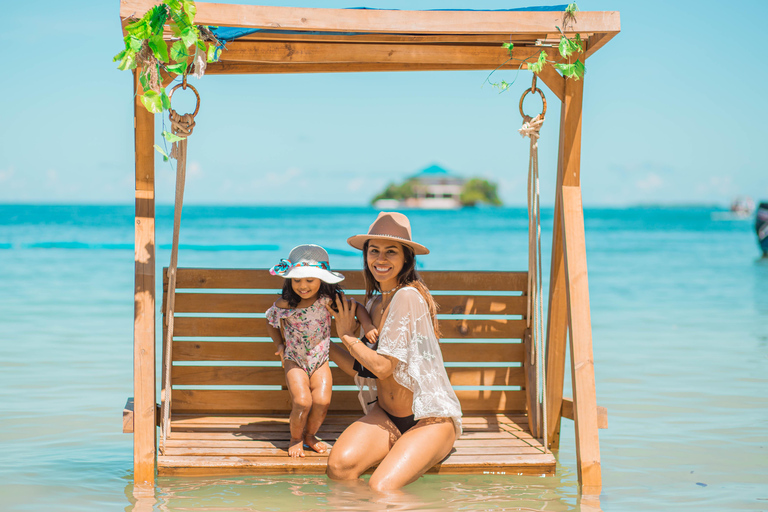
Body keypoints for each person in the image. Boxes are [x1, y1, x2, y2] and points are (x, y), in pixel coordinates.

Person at [325, 212, 463, 491]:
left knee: (380, 488)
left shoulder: (407, 296)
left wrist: (345, 336)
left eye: (391, 252)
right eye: (374, 251)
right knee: (339, 469)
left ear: (406, 259)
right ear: (365, 256)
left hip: (429, 421)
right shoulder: (375, 301)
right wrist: (322, 343)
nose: (381, 259)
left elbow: (384, 367)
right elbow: (361, 367)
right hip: (387, 416)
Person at [266, 244, 377, 458]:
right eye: (297, 280)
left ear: (321, 280)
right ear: (289, 280)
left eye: (310, 280)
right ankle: (295, 438)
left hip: (320, 359)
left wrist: (368, 325)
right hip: (294, 359)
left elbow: (357, 308)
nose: (303, 285)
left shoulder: (327, 300)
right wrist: (279, 344)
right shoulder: (285, 304)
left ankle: (310, 435)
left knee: (322, 402)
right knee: (302, 401)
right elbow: (270, 321)